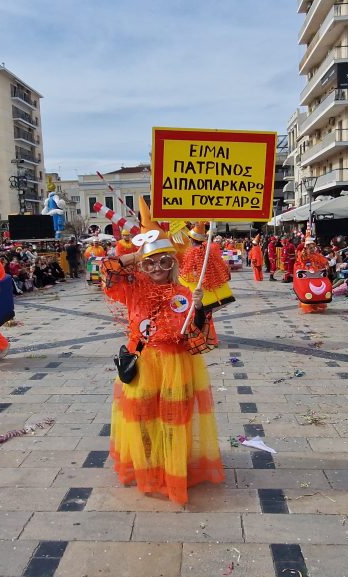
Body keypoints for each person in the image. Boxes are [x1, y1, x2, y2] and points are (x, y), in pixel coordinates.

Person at [100, 198, 224, 504]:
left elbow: (200, 338)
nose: (157, 268)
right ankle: (148, 467)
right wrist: (137, 255)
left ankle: (173, 468)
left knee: (173, 418)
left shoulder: (183, 292)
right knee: (141, 417)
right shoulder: (132, 286)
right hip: (142, 362)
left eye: (164, 261)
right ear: (142, 263)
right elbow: (106, 270)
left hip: (175, 364)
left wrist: (198, 309)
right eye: (151, 263)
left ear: (174, 263)